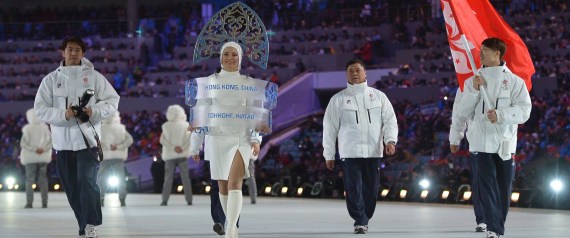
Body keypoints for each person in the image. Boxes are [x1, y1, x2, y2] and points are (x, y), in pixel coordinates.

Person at [34, 36, 120, 238]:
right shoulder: (51, 80)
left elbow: (112, 101)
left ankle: (91, 224)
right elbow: (40, 109)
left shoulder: (95, 77)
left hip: (88, 141)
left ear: (83, 54)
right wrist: (63, 114)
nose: (73, 54)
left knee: (87, 182)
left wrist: (93, 111)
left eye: (77, 50)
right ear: (62, 52)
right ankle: (83, 224)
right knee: (72, 188)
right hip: (63, 144)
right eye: (70, 50)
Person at [449, 37, 531, 238]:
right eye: (480, 50)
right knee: (486, 186)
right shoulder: (471, 81)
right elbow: (461, 113)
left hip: (505, 144)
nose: (480, 53)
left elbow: (524, 110)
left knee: (503, 188)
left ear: (497, 54)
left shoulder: (514, 82)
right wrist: (475, 92)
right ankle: (494, 229)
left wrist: (502, 115)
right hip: (479, 143)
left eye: (485, 50)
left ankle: (496, 225)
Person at [190, 42, 264, 238]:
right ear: (220, 57)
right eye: (226, 54)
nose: (230, 58)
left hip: (241, 138)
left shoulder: (249, 83)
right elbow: (200, 114)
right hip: (216, 138)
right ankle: (232, 225)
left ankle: (231, 229)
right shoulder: (209, 83)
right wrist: (195, 146)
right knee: (223, 187)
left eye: (234, 54)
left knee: (235, 183)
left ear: (240, 58)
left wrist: (256, 139)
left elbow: (256, 114)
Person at [322, 59, 398, 235]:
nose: (354, 74)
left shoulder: (379, 97)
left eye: (358, 70)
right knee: (353, 188)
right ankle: (360, 220)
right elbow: (329, 129)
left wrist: (390, 141)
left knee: (371, 189)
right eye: (350, 71)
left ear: (365, 73)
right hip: (350, 152)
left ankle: (365, 216)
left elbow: (390, 121)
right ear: (346, 74)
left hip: (373, 152)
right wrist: (329, 154)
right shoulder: (337, 100)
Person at [159, 104, 193, 206]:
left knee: (168, 178)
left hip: (170, 155)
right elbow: (189, 139)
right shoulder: (186, 125)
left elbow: (162, 140)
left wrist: (174, 148)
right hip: (183, 154)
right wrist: (181, 148)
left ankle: (164, 200)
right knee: (185, 178)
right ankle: (189, 200)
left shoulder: (165, 126)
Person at [98, 111, 133, 207]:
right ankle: (122, 199)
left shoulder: (100, 128)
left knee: (102, 179)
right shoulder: (121, 128)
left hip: (105, 157)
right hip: (118, 156)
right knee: (121, 178)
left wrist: (107, 147)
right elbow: (130, 140)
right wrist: (118, 147)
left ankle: (101, 198)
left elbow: (96, 141)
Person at [20, 108, 52, 209]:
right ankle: (44, 203)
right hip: (43, 157)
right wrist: (42, 149)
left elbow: (23, 143)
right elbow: (50, 142)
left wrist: (34, 149)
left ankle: (29, 203)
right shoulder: (45, 128)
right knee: (43, 181)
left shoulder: (27, 128)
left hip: (30, 158)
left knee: (29, 180)